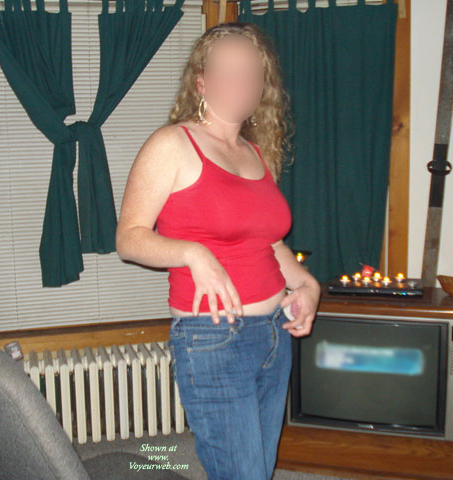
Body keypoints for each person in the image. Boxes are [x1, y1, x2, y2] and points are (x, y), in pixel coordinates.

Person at [115, 22, 321, 480]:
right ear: (201, 82)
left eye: (251, 72)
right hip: (214, 337)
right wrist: (194, 254)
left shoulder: (256, 154)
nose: (240, 81)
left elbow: (268, 242)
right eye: (227, 70)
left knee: (259, 469)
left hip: (275, 335)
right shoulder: (172, 144)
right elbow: (128, 238)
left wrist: (307, 285)